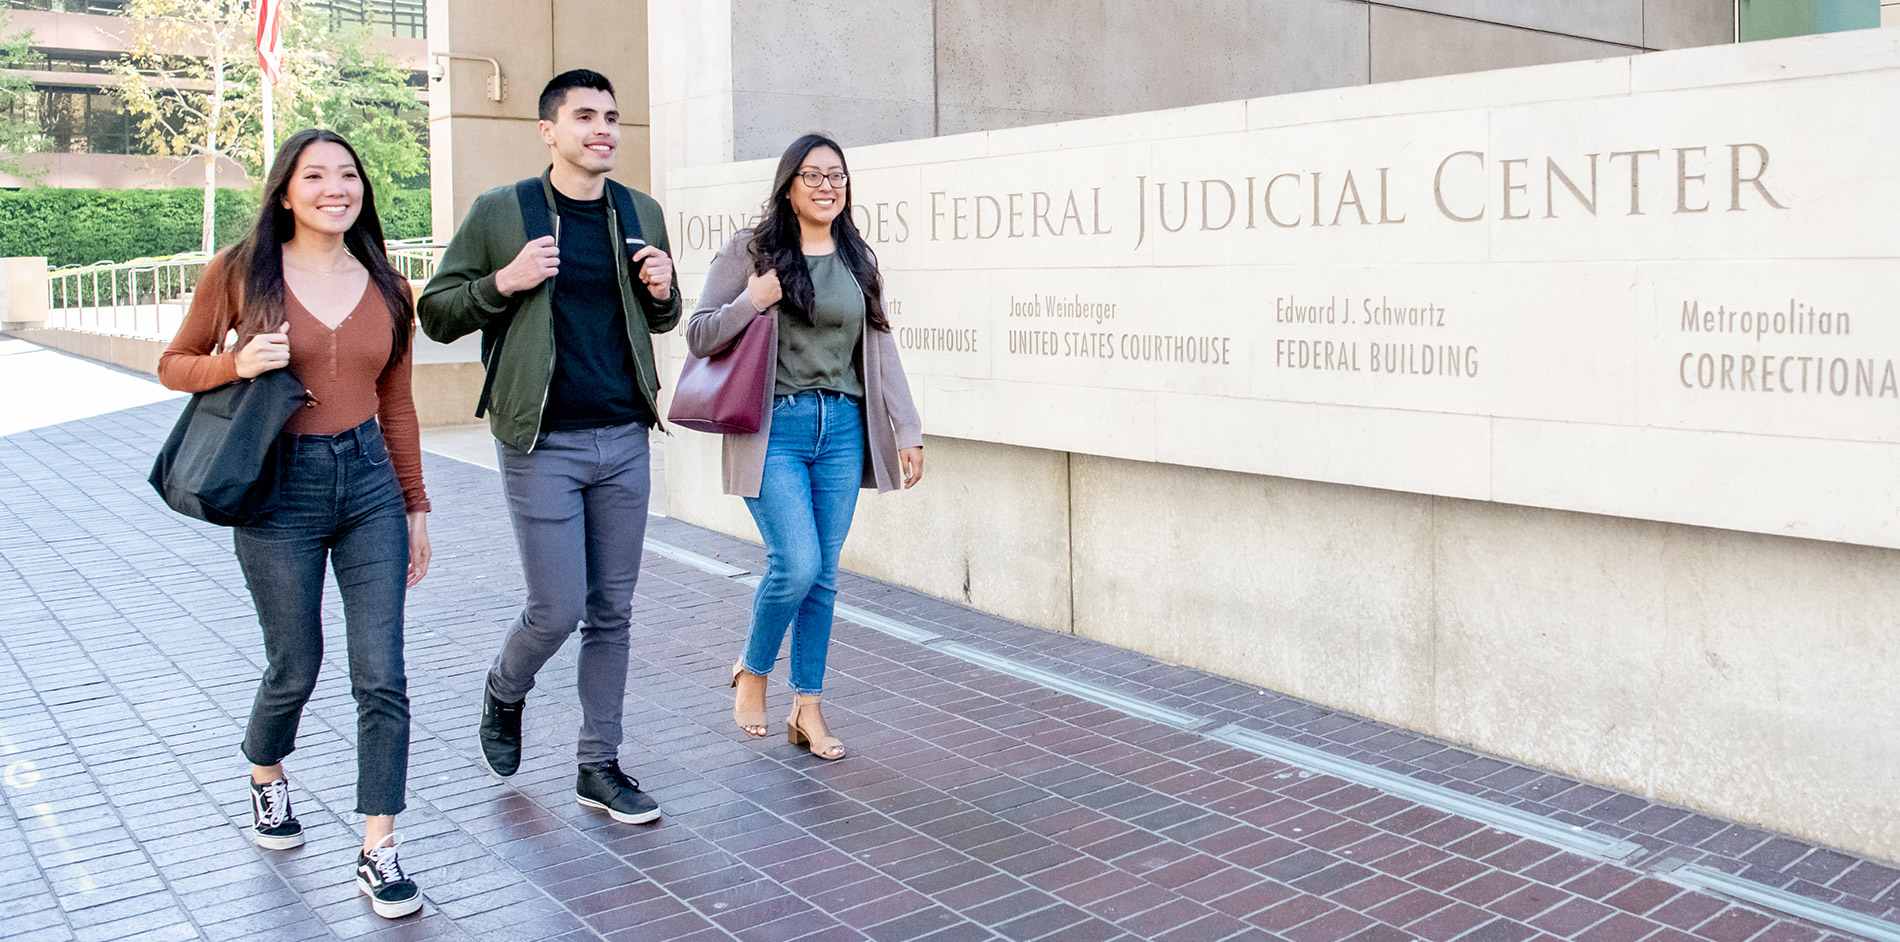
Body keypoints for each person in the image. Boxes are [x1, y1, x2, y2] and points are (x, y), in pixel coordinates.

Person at [157, 129, 430, 919]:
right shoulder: (243, 273)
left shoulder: (389, 285)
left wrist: (415, 505)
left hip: (370, 486)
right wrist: (233, 365)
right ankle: (266, 773)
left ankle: (379, 846)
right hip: (280, 490)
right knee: (295, 666)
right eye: (315, 176)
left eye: (348, 174)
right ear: (285, 191)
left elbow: (398, 403)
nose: (334, 188)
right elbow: (175, 362)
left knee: (381, 672)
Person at [416, 69, 679, 824]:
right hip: (541, 441)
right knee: (556, 608)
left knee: (613, 610)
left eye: (613, 117)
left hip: (625, 435)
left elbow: (658, 321)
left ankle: (598, 766)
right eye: (587, 116)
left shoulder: (639, 211)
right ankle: (505, 688)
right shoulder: (505, 212)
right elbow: (436, 312)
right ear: (549, 131)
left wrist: (664, 291)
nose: (604, 129)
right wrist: (504, 279)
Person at [689, 133, 925, 762]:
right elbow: (699, 334)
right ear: (789, 184)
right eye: (815, 175)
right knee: (794, 564)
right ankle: (753, 668)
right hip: (777, 431)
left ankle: (808, 708)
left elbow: (880, 349)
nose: (828, 186)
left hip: (844, 428)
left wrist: (908, 429)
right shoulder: (753, 251)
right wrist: (753, 299)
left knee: (823, 577)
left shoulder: (856, 258)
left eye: (838, 176)